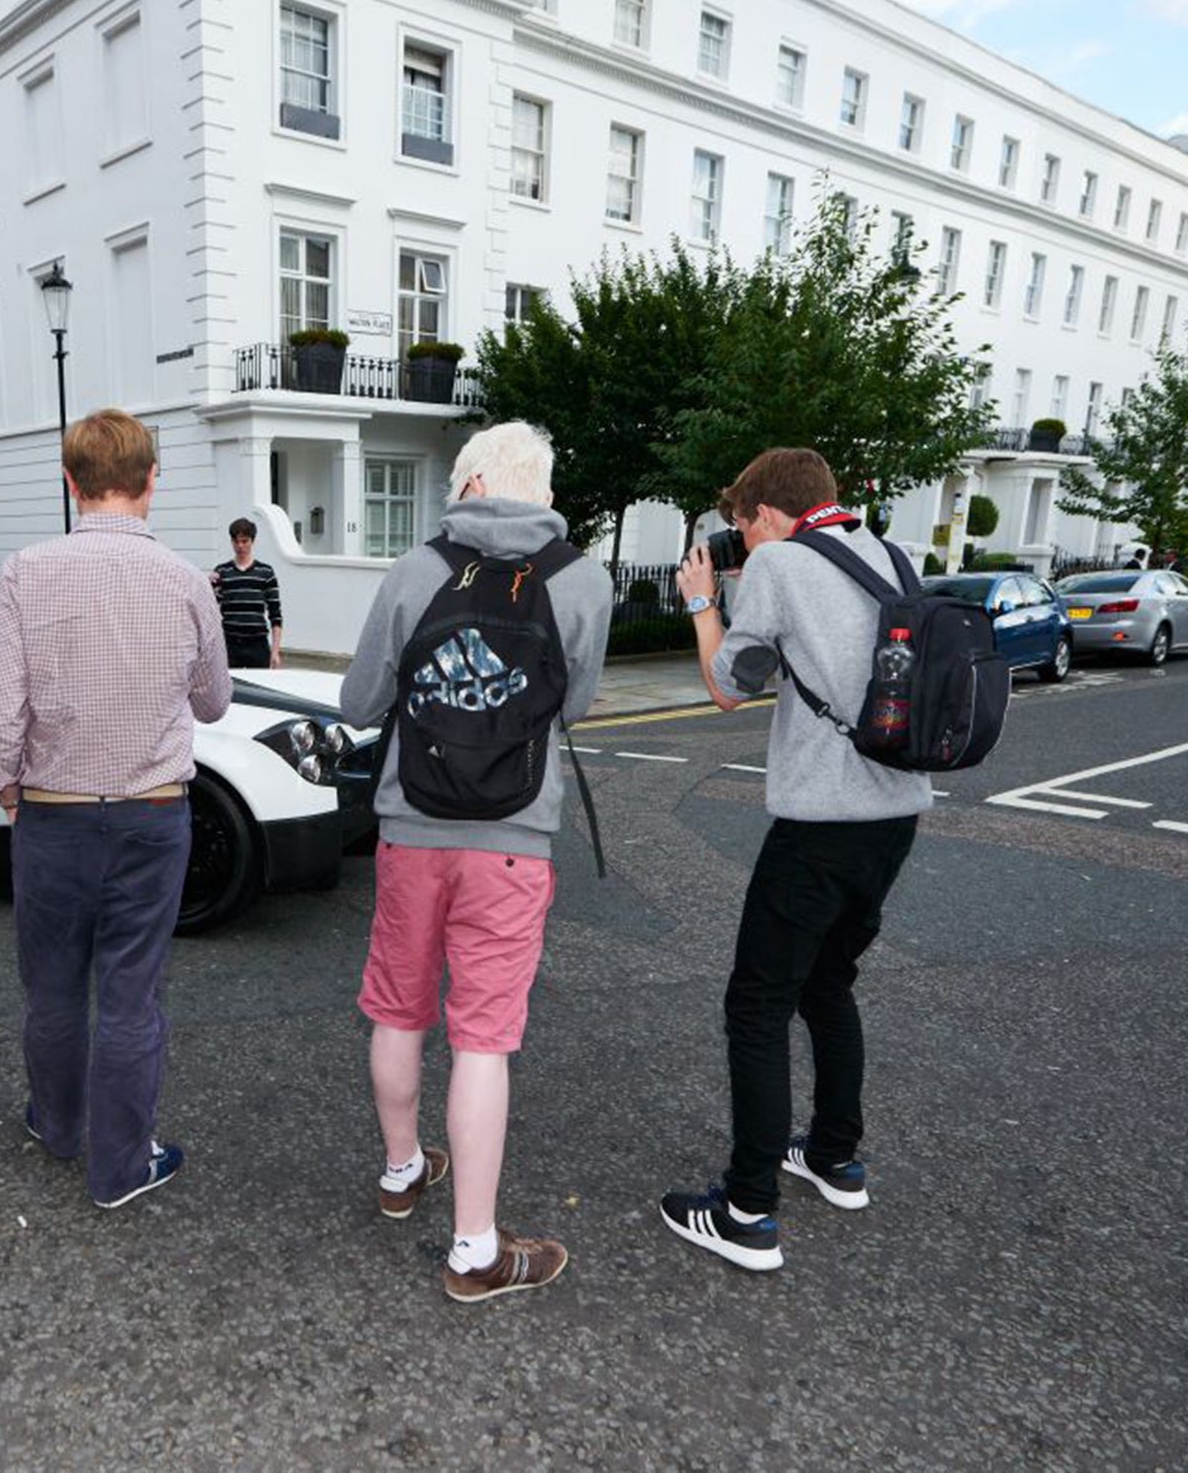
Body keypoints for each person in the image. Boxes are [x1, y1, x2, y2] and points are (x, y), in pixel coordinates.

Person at [340, 422, 611, 1302]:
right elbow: (574, 697)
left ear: (472, 484)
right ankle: (475, 1250)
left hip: (411, 827)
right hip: (513, 841)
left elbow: (360, 700)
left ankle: (400, 1171)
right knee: (483, 1041)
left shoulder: (416, 570)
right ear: (537, 490)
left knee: (398, 1009)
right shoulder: (582, 580)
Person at [661, 447, 932, 1272]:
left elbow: (726, 686)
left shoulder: (778, 561)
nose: (741, 538)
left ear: (766, 515)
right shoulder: (892, 555)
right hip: (895, 817)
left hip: (819, 823)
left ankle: (746, 1209)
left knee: (757, 1005)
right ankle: (835, 1157)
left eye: (741, 524)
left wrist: (705, 602)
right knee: (827, 982)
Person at [0, 408, 231, 1209]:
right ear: (152, 481)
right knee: (128, 993)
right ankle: (119, 1167)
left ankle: (57, 1124)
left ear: (71, 482)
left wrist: (7, 785)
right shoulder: (187, 581)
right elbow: (214, 701)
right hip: (152, 815)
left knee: (51, 987)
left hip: (52, 814)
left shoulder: (23, 571)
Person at [211, 517, 283, 669]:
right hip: (229, 644)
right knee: (228, 691)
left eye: (245, 541)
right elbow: (210, 610)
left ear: (252, 541)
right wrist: (207, 584)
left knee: (259, 691)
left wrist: (275, 651)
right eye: (236, 541)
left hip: (258, 645)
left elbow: (275, 614)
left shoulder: (266, 572)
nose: (240, 546)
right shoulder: (221, 572)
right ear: (231, 542)